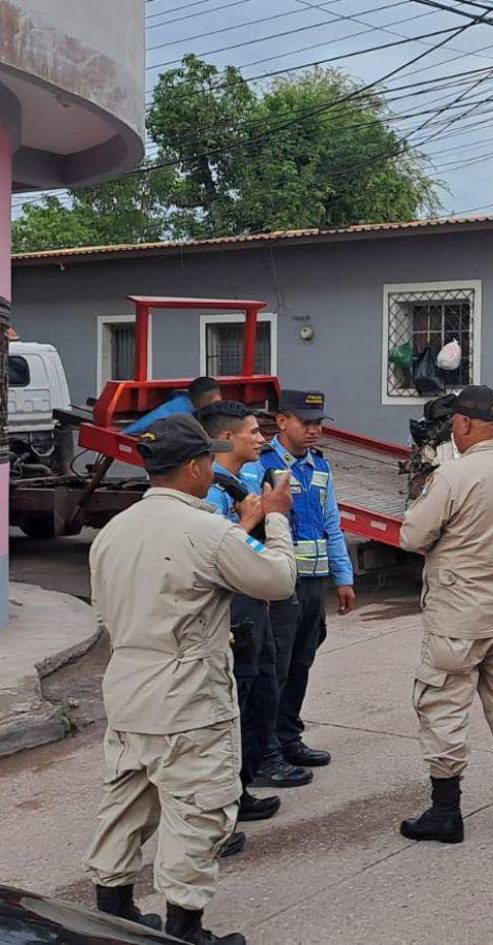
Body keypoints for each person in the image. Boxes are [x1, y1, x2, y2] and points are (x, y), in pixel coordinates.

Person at [83, 415, 295, 945]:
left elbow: (103, 615)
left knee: (126, 803)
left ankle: (114, 913)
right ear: (197, 467)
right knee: (199, 811)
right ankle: (185, 930)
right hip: (189, 697)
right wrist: (275, 520)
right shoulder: (206, 530)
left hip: (129, 688)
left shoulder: (113, 532)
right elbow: (277, 580)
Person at [398, 385, 493, 845]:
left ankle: (446, 812)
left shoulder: (453, 475)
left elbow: (412, 536)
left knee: (443, 704)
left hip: (458, 615)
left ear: (462, 424)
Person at [201, 402, 314, 802]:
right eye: (252, 432)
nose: (261, 439)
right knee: (243, 693)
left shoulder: (242, 479)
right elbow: (214, 553)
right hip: (234, 608)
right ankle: (236, 787)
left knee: (266, 685)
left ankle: (247, 780)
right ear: (226, 437)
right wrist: (253, 520)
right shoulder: (212, 489)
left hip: (255, 599)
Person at [256, 390, 355, 774]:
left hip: (313, 583)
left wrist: (343, 577)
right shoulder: (261, 464)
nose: (313, 430)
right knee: (274, 666)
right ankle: (265, 750)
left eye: (318, 424)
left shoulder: (320, 466)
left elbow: (332, 524)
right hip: (280, 583)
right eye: (305, 423)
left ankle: (288, 738)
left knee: (300, 662)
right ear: (282, 421)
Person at [123, 376, 221, 435]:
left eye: (219, 395)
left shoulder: (196, 404)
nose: (218, 400)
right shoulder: (175, 412)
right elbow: (141, 426)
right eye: (211, 399)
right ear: (199, 399)